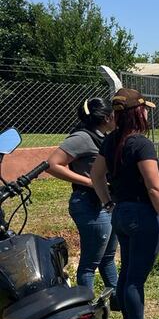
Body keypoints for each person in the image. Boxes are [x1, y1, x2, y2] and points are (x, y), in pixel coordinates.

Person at [91, 88, 159, 319]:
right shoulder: (141, 143)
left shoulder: (110, 141)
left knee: (127, 271)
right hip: (142, 214)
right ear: (137, 112)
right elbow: (154, 187)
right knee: (135, 277)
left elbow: (96, 175)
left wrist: (108, 203)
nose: (146, 114)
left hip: (120, 212)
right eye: (144, 109)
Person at [47, 98, 118, 293]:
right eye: (114, 114)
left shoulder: (102, 136)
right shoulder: (82, 138)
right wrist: (90, 182)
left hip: (106, 203)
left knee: (108, 258)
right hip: (90, 204)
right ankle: (86, 310)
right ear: (106, 117)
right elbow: (52, 165)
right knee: (90, 264)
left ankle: (118, 300)